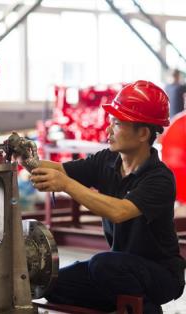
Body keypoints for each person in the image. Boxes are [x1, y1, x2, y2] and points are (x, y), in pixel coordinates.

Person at [29, 80, 185, 313]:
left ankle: (148, 309)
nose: (108, 130)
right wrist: (23, 158)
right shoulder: (107, 160)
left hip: (161, 274)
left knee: (103, 264)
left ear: (143, 133)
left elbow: (119, 211)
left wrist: (66, 185)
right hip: (120, 266)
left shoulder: (159, 178)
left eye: (117, 123)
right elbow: (61, 170)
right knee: (50, 284)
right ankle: (122, 303)